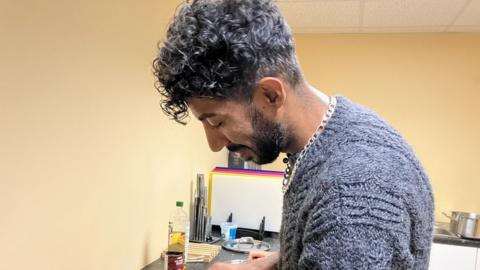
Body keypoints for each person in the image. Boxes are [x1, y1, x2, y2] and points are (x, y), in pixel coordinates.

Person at [153, 0, 434, 269]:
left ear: (271, 94)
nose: (215, 145)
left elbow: (346, 237)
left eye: (217, 122)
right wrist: (280, 261)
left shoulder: (351, 199)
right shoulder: (336, 135)